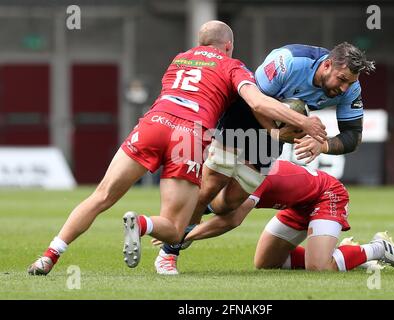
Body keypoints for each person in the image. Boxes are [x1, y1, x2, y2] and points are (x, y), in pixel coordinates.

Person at [27, 20, 326, 275]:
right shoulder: (233, 66)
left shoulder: (179, 59)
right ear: (228, 46)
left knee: (101, 195)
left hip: (154, 123)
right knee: (173, 224)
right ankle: (143, 224)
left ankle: (49, 255)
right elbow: (258, 102)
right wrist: (299, 126)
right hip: (188, 136)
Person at [154, 42, 375, 274]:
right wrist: (280, 130)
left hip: (275, 137)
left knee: (230, 204)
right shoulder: (289, 60)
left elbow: (353, 136)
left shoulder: (351, 88)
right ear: (327, 64)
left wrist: (323, 145)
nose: (344, 88)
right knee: (209, 187)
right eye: (341, 79)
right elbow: (255, 102)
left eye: (349, 82)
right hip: (242, 119)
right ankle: (170, 252)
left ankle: (184, 222)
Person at [182, 159, 394, 272]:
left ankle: (378, 248)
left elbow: (232, 219)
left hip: (326, 195)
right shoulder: (224, 171)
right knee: (266, 264)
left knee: (319, 268)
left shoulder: (251, 172)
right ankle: (342, 254)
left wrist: (184, 236)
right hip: (296, 205)